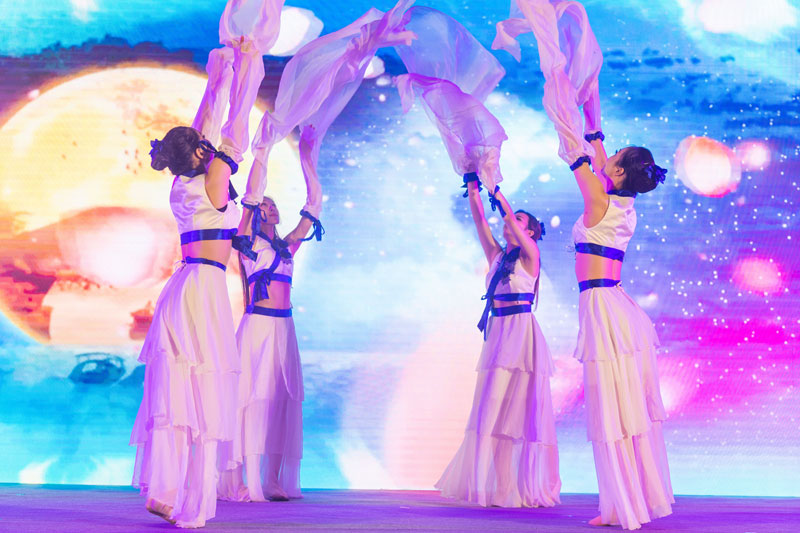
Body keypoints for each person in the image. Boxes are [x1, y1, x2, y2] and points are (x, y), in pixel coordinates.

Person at [130, 126, 240, 528]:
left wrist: (222, 88)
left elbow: (207, 131)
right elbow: (234, 133)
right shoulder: (213, 179)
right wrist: (240, 86)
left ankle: (167, 492)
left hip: (187, 288)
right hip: (202, 291)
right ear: (197, 151)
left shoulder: (181, 185)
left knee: (179, 395)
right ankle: (191, 504)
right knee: (203, 397)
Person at [435, 175, 561, 507]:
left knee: (517, 414)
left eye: (518, 220)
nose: (510, 223)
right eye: (510, 219)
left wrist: (497, 190)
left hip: (521, 334)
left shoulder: (530, 255)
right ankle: (493, 484)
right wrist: (474, 189)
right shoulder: (496, 256)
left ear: (529, 232)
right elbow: (480, 221)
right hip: (499, 333)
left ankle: (514, 486)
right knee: (490, 410)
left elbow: (509, 220)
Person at [570, 136, 674, 529]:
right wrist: (594, 129)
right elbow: (598, 155)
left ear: (617, 171)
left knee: (612, 410)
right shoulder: (623, 205)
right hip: (613, 306)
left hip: (604, 309)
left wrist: (567, 117)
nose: (606, 155)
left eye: (613, 155)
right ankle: (627, 500)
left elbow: (578, 158)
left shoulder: (599, 201)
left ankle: (622, 505)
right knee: (621, 408)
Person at [218, 193, 318, 502]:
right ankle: (241, 480)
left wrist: (312, 189)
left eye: (273, 204)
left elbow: (305, 225)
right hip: (258, 328)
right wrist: (252, 197)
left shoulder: (285, 248)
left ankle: (272, 479)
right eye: (264, 206)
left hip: (284, 328)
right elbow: (244, 221)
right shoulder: (248, 245)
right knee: (250, 399)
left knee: (279, 402)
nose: (271, 209)